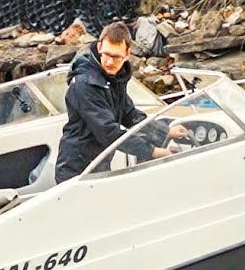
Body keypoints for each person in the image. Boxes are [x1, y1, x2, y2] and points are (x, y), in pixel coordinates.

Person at [55, 22, 188, 182]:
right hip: (76, 169)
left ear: (127, 54)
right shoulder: (85, 83)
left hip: (99, 161)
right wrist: (153, 151)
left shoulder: (115, 77)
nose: (110, 62)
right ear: (99, 48)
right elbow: (108, 132)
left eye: (116, 57)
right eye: (107, 54)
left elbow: (129, 114)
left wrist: (165, 130)